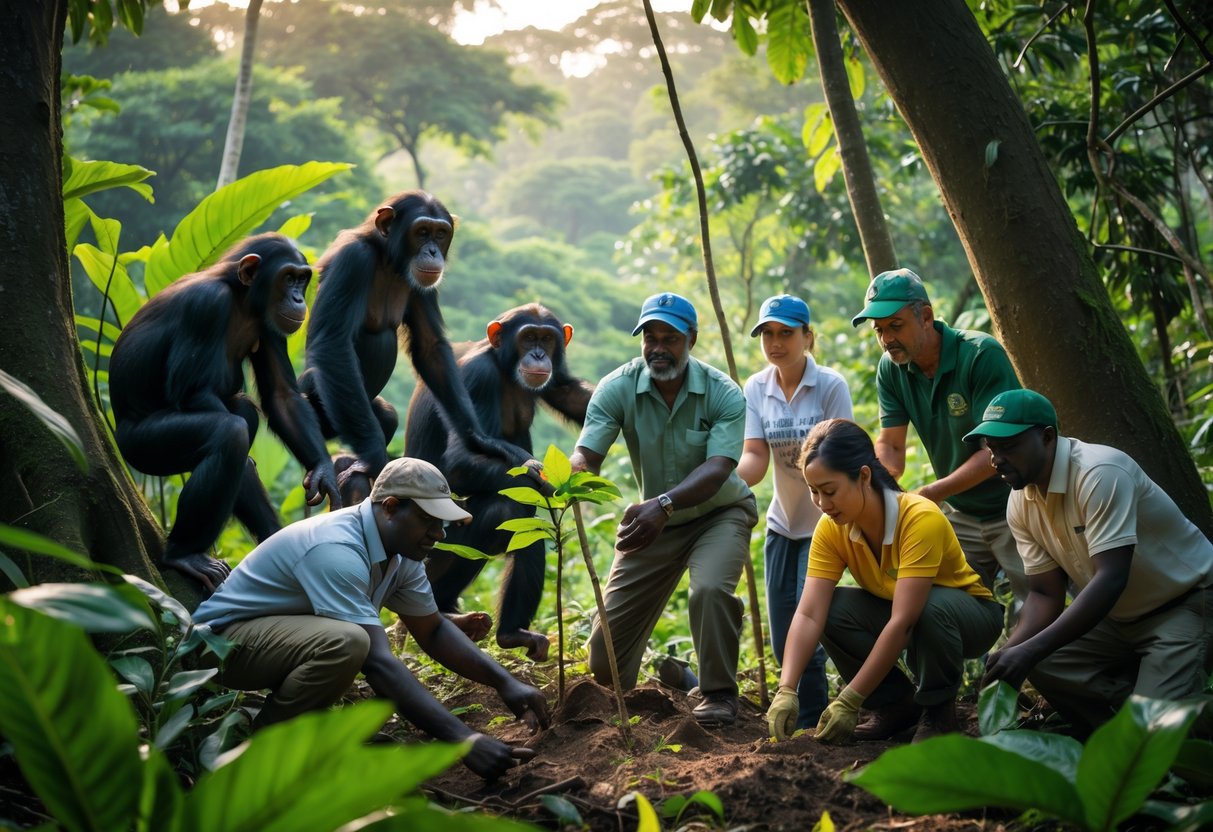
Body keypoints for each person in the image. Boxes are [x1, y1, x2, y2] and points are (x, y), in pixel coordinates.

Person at [193, 457, 550, 780]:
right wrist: (464, 738)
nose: (438, 535)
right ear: (391, 508)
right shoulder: (337, 550)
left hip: (276, 641)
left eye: (442, 523)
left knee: (350, 641)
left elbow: (434, 630)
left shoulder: (402, 555)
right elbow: (378, 663)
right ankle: (263, 754)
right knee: (350, 643)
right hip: (222, 646)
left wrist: (505, 683)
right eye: (428, 520)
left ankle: (305, 740)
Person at [965, 389, 1213, 735]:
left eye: (1008, 447)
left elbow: (1111, 578)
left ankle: (1162, 725)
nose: (996, 459)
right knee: (1041, 660)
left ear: (1047, 437)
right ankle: (1119, 730)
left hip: (1182, 603)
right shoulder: (1020, 500)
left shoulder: (1100, 472)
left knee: (1155, 733)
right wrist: (1010, 654)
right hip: (1115, 618)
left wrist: (1028, 649)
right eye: (991, 448)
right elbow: (1044, 594)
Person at [570, 292, 758, 727]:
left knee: (709, 589)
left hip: (718, 513)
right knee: (604, 665)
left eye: (669, 338)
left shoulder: (722, 393)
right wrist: (564, 476)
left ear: (691, 338)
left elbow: (718, 470)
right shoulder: (618, 387)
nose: (658, 347)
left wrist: (665, 503)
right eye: (649, 337)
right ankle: (677, 678)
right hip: (655, 523)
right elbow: (588, 454)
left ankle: (717, 693)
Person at [766, 419, 1003, 744]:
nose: (822, 503)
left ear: (864, 476)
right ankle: (895, 705)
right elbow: (808, 613)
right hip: (905, 615)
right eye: (813, 492)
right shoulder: (831, 528)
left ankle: (939, 714)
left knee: (928, 608)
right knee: (830, 609)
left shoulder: (919, 518)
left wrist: (850, 698)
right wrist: (786, 688)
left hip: (968, 616)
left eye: (830, 491)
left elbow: (904, 620)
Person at [851, 268, 1027, 617]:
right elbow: (892, 446)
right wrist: (878, 486)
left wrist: (931, 493)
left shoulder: (979, 355)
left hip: (1014, 505)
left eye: (895, 326)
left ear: (926, 317)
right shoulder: (891, 369)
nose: (886, 339)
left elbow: (994, 451)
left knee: (1035, 604)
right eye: (879, 330)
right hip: (961, 513)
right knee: (944, 607)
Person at [737, 294, 854, 731]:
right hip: (781, 524)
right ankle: (790, 718)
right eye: (768, 333)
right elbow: (755, 457)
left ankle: (810, 721)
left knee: (813, 630)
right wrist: (722, 482)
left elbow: (841, 457)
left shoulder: (830, 386)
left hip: (824, 525)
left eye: (786, 333)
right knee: (784, 632)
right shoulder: (756, 387)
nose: (776, 342)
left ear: (808, 336)